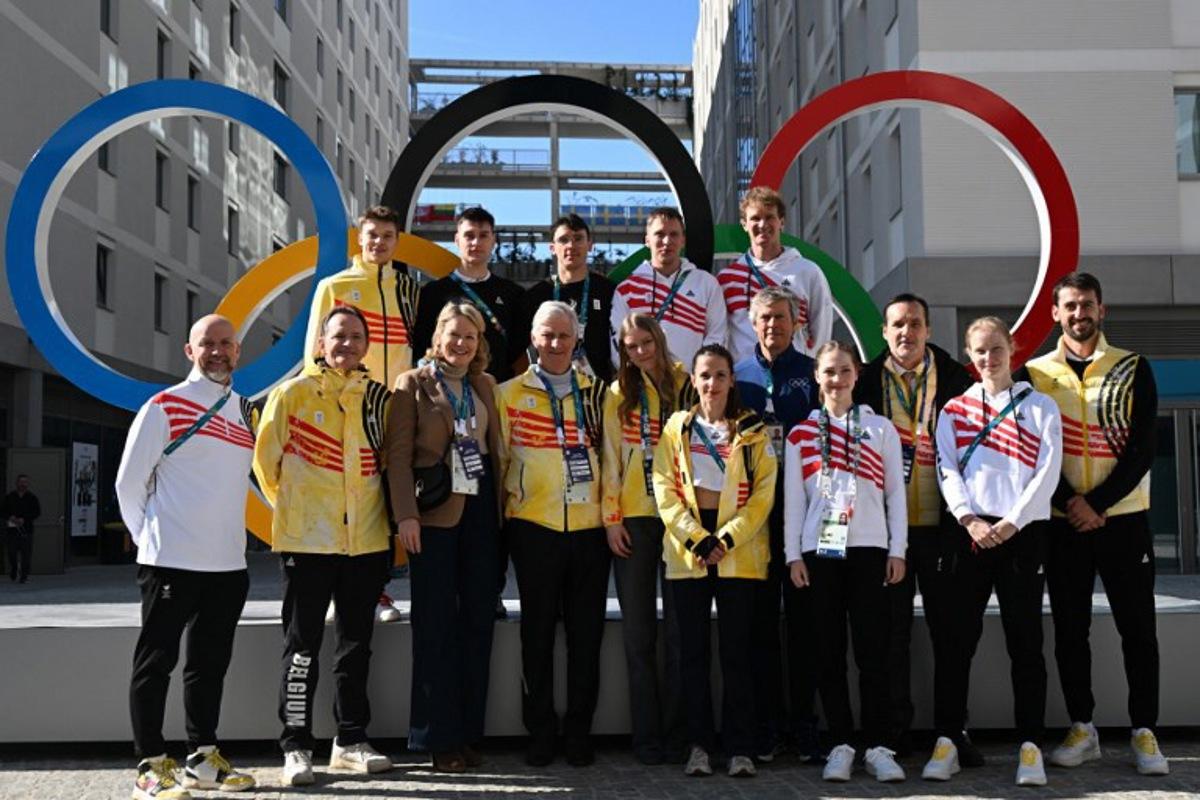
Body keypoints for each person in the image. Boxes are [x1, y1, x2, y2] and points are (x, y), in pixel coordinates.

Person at [1023, 272, 1169, 776]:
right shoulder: (1034, 373)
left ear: (1101, 310)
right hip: (1063, 524)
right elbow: (1033, 452)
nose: (1079, 313)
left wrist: (1099, 502)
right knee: (1069, 629)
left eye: (1087, 304)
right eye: (1070, 306)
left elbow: (1144, 447)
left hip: (1124, 519)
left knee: (1138, 629)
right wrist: (1071, 502)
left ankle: (1144, 731)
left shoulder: (1133, 366)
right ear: (1055, 314)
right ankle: (1082, 728)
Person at [115, 314, 257, 799]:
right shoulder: (163, 406)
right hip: (170, 562)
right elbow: (127, 484)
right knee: (156, 663)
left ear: (238, 351)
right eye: (207, 344)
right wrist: (152, 541)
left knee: (208, 666)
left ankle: (203, 759)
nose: (217, 352)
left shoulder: (244, 410)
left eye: (226, 344)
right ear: (189, 351)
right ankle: (151, 765)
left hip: (227, 565)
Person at [253, 306, 394, 787]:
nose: (348, 345)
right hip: (306, 543)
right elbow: (265, 467)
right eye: (339, 337)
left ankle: (350, 740)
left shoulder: (379, 398)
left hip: (367, 544)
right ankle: (295, 744)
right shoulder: (290, 394)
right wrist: (297, 512)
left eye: (357, 337)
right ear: (320, 343)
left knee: (356, 648)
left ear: (367, 345)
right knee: (301, 648)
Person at [929, 316, 1062, 786]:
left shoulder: (1041, 406)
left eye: (996, 349)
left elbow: (1048, 470)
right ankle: (947, 739)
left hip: (1021, 536)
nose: (989, 359)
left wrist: (1010, 523)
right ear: (970, 355)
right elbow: (946, 469)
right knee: (955, 641)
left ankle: (1030, 747)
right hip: (969, 535)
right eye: (980, 351)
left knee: (1025, 642)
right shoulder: (953, 411)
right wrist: (969, 518)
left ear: (1013, 348)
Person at [852, 293, 975, 761]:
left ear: (928, 330)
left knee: (951, 634)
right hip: (886, 534)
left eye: (916, 324)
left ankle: (951, 732)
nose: (907, 332)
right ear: (884, 332)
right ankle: (893, 732)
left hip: (944, 526)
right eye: (898, 324)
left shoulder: (957, 379)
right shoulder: (864, 382)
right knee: (891, 638)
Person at [384, 302, 503, 773]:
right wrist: (405, 516)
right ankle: (436, 737)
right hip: (432, 514)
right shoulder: (412, 383)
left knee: (478, 622)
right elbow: (396, 457)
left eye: (470, 337)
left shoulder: (484, 385)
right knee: (435, 627)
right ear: (438, 336)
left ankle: (468, 732)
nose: (461, 344)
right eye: (454, 335)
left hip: (480, 510)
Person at [784, 341, 908, 783]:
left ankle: (877, 746)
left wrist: (898, 549)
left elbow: (896, 494)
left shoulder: (881, 430)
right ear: (817, 377)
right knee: (828, 651)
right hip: (821, 552)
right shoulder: (800, 434)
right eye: (828, 372)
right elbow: (794, 502)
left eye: (844, 371)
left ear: (857, 375)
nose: (836, 379)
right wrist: (793, 554)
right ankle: (840, 743)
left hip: (871, 549)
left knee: (873, 652)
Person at [653, 343, 776, 779]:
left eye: (720, 375)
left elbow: (763, 495)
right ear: (694, 380)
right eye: (704, 375)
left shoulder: (753, 430)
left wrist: (724, 538)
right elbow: (663, 488)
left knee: (738, 653)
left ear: (731, 381)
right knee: (692, 654)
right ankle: (698, 745)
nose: (712, 383)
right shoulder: (676, 429)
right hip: (689, 550)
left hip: (737, 550)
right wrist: (697, 539)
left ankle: (740, 746)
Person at [496, 300, 609, 767]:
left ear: (577, 339)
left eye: (564, 335)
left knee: (587, 637)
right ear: (533, 338)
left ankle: (579, 730)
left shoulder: (601, 393)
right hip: (534, 528)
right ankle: (540, 729)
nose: (556, 343)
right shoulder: (506, 394)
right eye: (547, 335)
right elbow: (500, 460)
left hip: (589, 529)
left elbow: (614, 460)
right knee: (536, 636)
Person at [305, 204, 421, 623]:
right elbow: (314, 354)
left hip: (397, 407)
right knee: (353, 494)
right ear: (360, 237)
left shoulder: (409, 290)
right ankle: (354, 592)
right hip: (349, 405)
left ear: (396, 242)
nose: (378, 243)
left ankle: (381, 588)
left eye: (387, 236)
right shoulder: (335, 285)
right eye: (372, 235)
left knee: (392, 496)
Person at [601, 313, 695, 765]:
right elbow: (610, 461)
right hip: (635, 520)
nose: (639, 352)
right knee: (638, 636)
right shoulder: (619, 394)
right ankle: (646, 737)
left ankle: (679, 735)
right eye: (630, 346)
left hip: (680, 519)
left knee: (680, 632)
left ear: (658, 339)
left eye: (645, 343)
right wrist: (611, 519)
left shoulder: (686, 383)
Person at [731, 286, 820, 762]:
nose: (773, 326)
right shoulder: (738, 375)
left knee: (805, 628)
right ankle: (765, 725)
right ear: (751, 320)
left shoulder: (812, 374)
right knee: (760, 629)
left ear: (795, 321)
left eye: (781, 318)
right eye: (764, 318)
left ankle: (804, 725)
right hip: (756, 518)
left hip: (804, 518)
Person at [412, 206, 525, 383]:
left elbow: (519, 353)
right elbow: (422, 347)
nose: (476, 243)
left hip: (497, 393)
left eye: (483, 236)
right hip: (446, 392)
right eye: (469, 235)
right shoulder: (432, 293)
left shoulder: (512, 294)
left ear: (493, 241)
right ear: (457, 240)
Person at [719, 186, 832, 361]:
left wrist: (811, 368)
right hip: (746, 379)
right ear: (744, 225)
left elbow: (822, 330)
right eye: (755, 218)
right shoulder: (728, 278)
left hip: (795, 373)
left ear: (781, 222)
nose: (762, 225)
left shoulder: (807, 272)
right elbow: (722, 332)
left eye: (769, 217)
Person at [610, 207, 727, 370]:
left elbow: (717, 335)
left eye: (674, 234)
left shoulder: (706, 283)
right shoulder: (627, 289)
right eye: (659, 234)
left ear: (683, 240)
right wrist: (638, 378)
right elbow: (619, 343)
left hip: (691, 386)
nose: (667, 241)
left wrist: (699, 374)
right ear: (647, 240)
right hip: (644, 386)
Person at [520, 213, 616, 384]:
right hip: (547, 390)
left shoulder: (608, 291)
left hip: (599, 392)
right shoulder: (536, 295)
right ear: (552, 248)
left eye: (578, 238)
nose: (571, 245)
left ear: (590, 245)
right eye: (563, 240)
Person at [2, 474, 39, 583]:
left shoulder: (32, 498)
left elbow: (36, 512)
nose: (23, 484)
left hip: (26, 530)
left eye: (25, 482)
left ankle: (24, 576)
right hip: (12, 530)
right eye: (21, 482)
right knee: (11, 553)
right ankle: (14, 569)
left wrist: (25, 519)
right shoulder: (10, 497)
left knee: (26, 555)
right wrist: (10, 517)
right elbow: (2, 511)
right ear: (17, 483)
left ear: (27, 484)